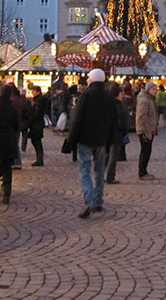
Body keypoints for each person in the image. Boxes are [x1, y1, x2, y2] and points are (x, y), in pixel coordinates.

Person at [68, 69, 117, 219]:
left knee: (84, 169)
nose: (87, 80)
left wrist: (72, 138)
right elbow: (113, 121)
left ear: (92, 79)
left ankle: (89, 200)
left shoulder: (86, 95)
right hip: (102, 139)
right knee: (99, 170)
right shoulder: (109, 97)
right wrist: (110, 139)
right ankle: (98, 201)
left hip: (86, 138)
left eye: (88, 78)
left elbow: (77, 118)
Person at [105, 82, 130, 184]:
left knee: (107, 155)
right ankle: (110, 177)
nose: (122, 95)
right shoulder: (117, 104)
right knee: (113, 156)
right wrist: (124, 130)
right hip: (116, 134)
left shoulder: (107, 103)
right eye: (121, 93)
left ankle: (100, 174)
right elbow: (121, 120)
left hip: (108, 133)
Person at [135, 82, 159, 180]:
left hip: (149, 129)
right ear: (148, 89)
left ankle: (143, 171)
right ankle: (142, 172)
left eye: (155, 89)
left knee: (147, 151)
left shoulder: (150, 99)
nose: (155, 91)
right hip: (145, 130)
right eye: (153, 89)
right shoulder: (144, 100)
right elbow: (142, 116)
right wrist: (147, 131)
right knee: (145, 151)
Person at [27, 85, 48, 166]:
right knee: (35, 140)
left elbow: (37, 113)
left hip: (36, 124)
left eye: (34, 91)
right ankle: (39, 158)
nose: (32, 93)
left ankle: (39, 159)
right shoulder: (38, 100)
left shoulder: (39, 101)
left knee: (36, 141)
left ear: (38, 92)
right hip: (36, 123)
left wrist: (31, 119)